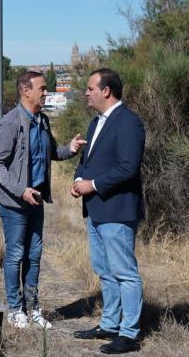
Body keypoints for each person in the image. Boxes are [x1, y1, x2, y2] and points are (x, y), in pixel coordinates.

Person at [0, 70, 87, 329]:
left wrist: (71, 149)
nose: (46, 93)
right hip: (13, 202)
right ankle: (14, 309)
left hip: (37, 200)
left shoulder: (42, 121)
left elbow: (52, 151)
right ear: (26, 91)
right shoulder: (11, 122)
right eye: (42, 88)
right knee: (15, 254)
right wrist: (21, 190)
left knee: (34, 254)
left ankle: (33, 309)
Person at [71, 68, 146, 354]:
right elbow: (88, 161)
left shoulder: (129, 123)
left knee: (125, 273)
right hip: (96, 210)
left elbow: (129, 167)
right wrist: (79, 180)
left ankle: (129, 334)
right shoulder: (95, 122)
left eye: (91, 88)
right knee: (104, 270)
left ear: (106, 90)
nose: (86, 93)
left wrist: (94, 184)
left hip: (117, 210)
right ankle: (110, 323)